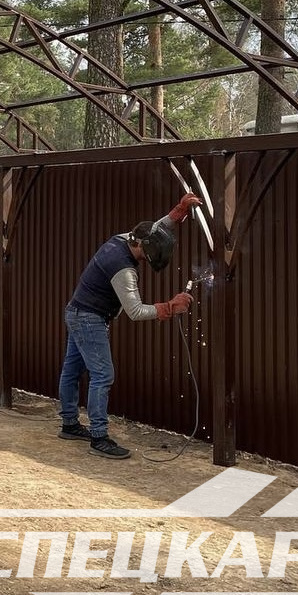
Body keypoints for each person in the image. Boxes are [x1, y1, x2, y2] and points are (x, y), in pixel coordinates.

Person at [58, 193, 201, 460]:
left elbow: (154, 230)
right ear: (142, 246)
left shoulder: (123, 239)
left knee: (72, 370)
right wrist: (170, 307)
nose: (150, 256)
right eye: (149, 253)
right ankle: (99, 438)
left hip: (76, 311)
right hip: (89, 318)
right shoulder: (123, 270)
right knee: (103, 375)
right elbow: (135, 311)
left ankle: (69, 424)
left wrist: (179, 211)